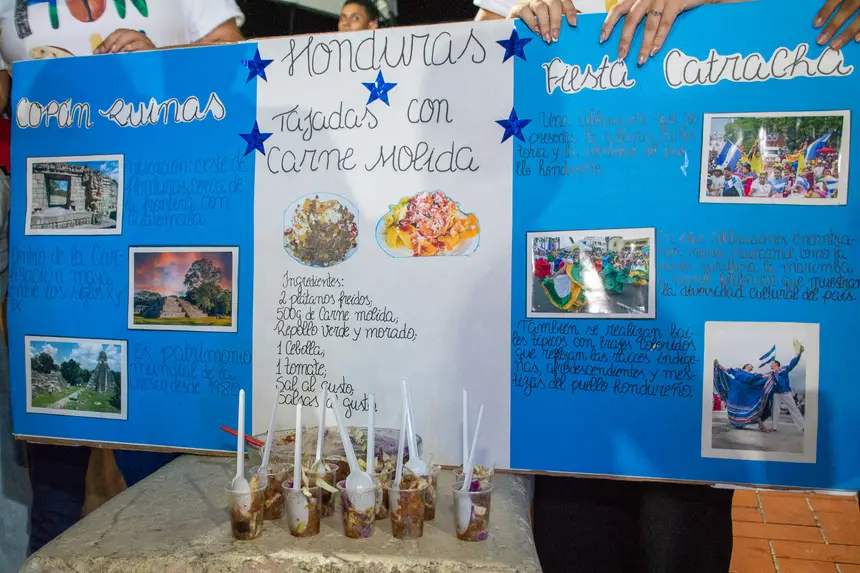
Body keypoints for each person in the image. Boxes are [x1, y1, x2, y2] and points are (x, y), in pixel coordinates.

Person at [0, 0, 245, 556]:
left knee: (162, 475)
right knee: (55, 476)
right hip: (56, 248)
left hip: (160, 220)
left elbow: (237, 61)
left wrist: (164, 60)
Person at [768, 345, 806, 433]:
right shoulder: (771, 374)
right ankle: (774, 427)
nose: (770, 364)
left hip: (786, 392)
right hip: (776, 393)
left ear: (776, 364)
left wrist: (799, 355)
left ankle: (803, 426)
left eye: (772, 363)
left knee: (793, 409)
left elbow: (792, 364)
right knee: (775, 410)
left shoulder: (783, 369)